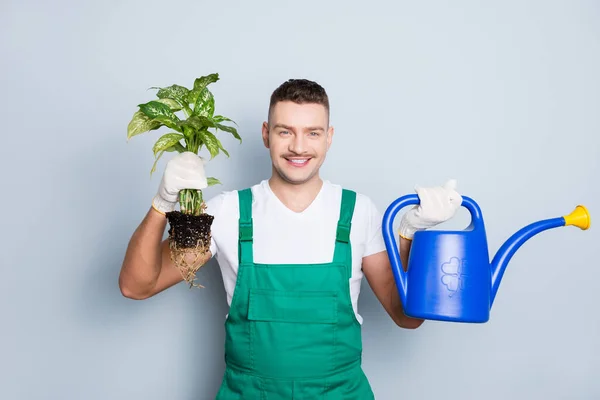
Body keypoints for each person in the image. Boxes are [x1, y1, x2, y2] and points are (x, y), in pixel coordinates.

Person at [119, 78, 462, 399]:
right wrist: (162, 204)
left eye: (312, 133)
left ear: (329, 137)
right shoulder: (225, 213)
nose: (299, 146)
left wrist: (411, 234)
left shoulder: (359, 211)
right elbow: (137, 285)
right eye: (286, 131)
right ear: (266, 134)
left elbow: (407, 317)